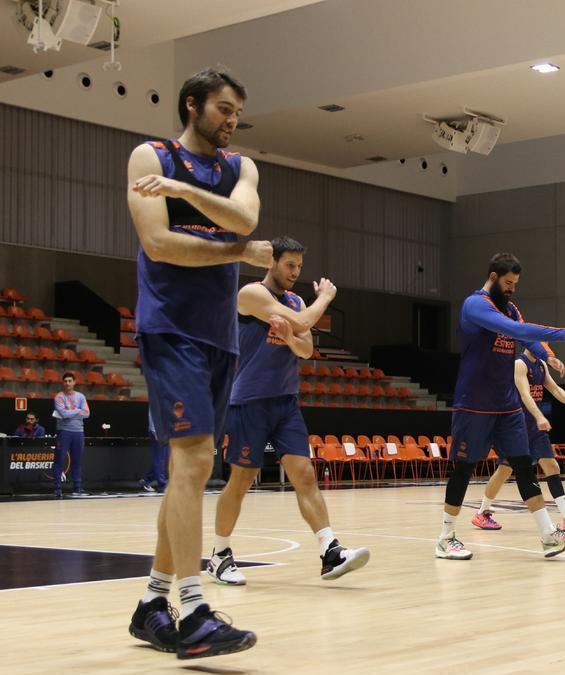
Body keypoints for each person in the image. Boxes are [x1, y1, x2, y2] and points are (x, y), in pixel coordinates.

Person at [126, 66, 273, 659]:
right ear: (191, 106)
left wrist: (185, 193)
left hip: (220, 336)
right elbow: (159, 244)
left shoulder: (241, 167)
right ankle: (192, 610)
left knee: (194, 465)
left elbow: (246, 221)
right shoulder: (148, 156)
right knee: (190, 460)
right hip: (170, 328)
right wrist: (237, 252)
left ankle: (151, 604)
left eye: (237, 111)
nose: (231, 120)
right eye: (222, 109)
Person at [207, 236, 369, 585]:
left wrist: (291, 337)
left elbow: (306, 347)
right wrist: (324, 298)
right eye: (289, 265)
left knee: (305, 475)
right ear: (272, 263)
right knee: (241, 480)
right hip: (249, 402)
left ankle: (329, 550)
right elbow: (305, 323)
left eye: (299, 266)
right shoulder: (251, 294)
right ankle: (219, 555)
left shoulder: (294, 300)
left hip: (285, 402)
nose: (296, 272)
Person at [436, 252, 565, 560]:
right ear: (493, 277)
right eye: (508, 283)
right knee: (464, 469)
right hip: (475, 403)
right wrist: (563, 334)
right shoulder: (475, 305)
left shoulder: (510, 307)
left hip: (506, 405)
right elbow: (517, 331)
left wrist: (548, 356)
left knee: (523, 464)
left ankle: (548, 536)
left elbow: (527, 341)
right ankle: (445, 536)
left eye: (516, 284)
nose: (512, 289)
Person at [472, 348, 565, 532]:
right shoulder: (519, 365)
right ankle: (481, 513)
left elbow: (554, 388)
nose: (545, 350)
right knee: (504, 470)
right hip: (515, 427)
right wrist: (539, 416)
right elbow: (525, 395)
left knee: (552, 466)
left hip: (535, 428)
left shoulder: (541, 365)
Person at [52, 372, 89, 497]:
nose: (67, 383)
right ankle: (57, 487)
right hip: (64, 432)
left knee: (77, 461)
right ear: (63, 383)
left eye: (70, 381)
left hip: (78, 432)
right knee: (60, 459)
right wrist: (79, 410)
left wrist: (71, 412)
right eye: (65, 381)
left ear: (74, 382)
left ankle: (77, 487)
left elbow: (87, 413)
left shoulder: (81, 396)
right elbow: (63, 414)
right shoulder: (59, 396)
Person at [140, 411, 168, 493]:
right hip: (158, 432)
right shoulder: (156, 398)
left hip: (165, 431)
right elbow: (152, 413)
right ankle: (162, 485)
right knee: (160, 459)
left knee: (165, 457)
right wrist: (155, 431)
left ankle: (146, 480)